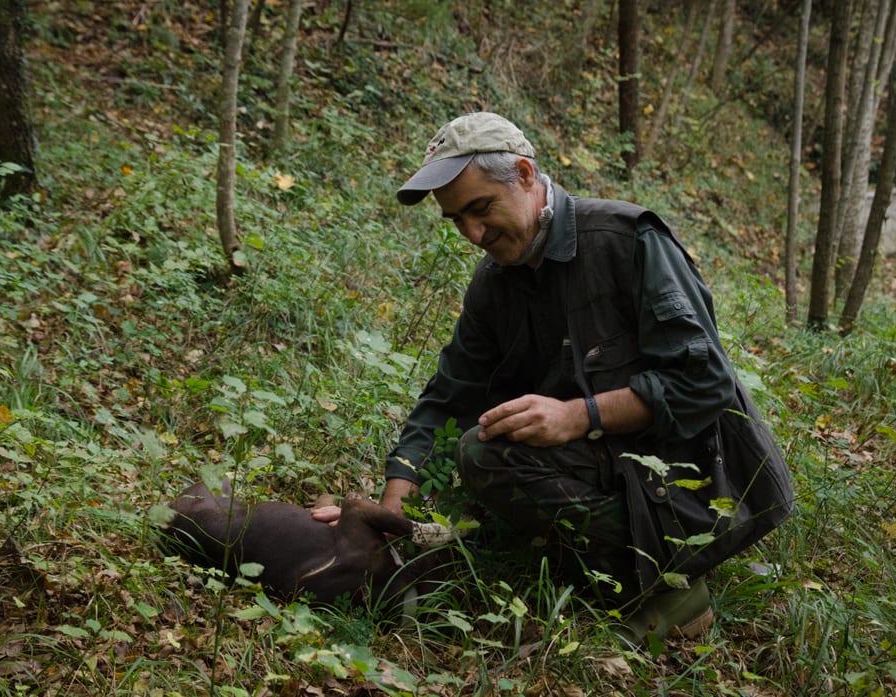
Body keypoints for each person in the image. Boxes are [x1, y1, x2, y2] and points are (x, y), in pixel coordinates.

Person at [319, 112, 793, 644]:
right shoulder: (496, 279)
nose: (472, 234)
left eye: (480, 209)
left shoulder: (626, 240)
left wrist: (578, 415)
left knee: (483, 453)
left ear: (524, 175)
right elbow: (452, 392)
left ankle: (670, 588)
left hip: (703, 482)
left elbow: (706, 383)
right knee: (483, 455)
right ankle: (578, 554)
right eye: (456, 220)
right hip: (600, 464)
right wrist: (389, 514)